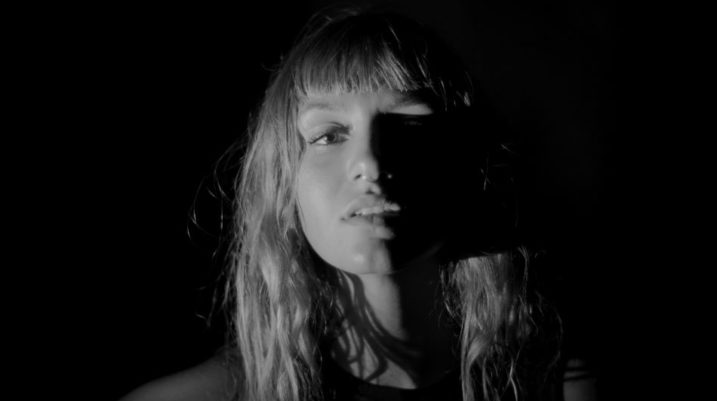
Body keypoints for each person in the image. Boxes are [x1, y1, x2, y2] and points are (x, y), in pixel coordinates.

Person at [121, 7, 599, 401]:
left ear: (468, 165)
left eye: (410, 126)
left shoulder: (557, 385)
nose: (369, 162)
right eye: (328, 135)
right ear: (283, 183)